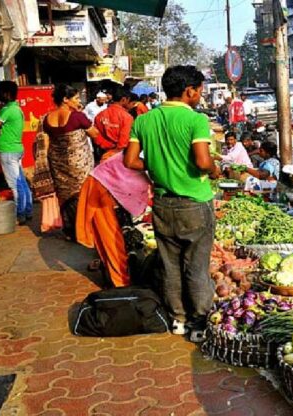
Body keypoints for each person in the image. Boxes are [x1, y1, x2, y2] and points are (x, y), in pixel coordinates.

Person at [123, 65, 221, 343]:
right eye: (199, 90)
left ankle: (177, 318)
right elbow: (203, 161)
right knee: (196, 265)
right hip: (195, 203)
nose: (200, 96)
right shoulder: (196, 120)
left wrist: (156, 167)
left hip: (163, 204)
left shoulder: (144, 120)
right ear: (189, 91)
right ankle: (199, 322)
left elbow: (130, 161)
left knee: (170, 264)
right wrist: (213, 171)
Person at [76, 152, 151, 287]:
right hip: (103, 186)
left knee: (112, 239)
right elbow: (131, 160)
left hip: (110, 183)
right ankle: (121, 284)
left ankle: (120, 280)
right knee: (112, 241)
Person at [43, 84, 101, 241]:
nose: (78, 101)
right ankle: (82, 230)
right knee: (82, 195)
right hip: (78, 164)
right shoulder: (77, 117)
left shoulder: (47, 118)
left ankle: (69, 231)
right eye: (75, 98)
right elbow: (95, 134)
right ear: (65, 99)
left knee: (64, 196)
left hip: (57, 163)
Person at [0, 81, 33, 225]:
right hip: (16, 149)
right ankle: (28, 211)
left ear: (5, 94)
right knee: (22, 183)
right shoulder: (16, 108)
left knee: (15, 185)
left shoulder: (6, 110)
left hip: (8, 151)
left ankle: (20, 214)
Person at [93, 85, 134, 160]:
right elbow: (124, 141)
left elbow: (95, 135)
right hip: (120, 155)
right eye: (129, 100)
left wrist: (106, 146)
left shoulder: (99, 115)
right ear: (124, 99)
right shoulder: (127, 117)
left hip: (105, 153)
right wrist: (115, 150)